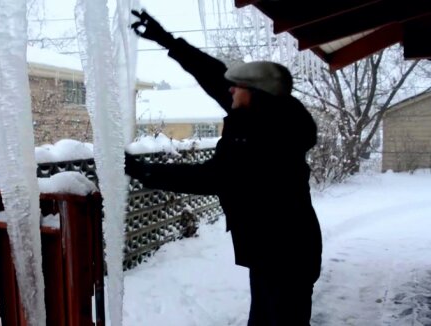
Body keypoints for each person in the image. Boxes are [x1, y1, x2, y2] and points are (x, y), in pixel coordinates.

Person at [125, 10, 323, 326]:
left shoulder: (269, 138)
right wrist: (168, 41)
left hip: (285, 252)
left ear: (256, 93)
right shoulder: (264, 113)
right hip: (274, 246)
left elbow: (213, 177)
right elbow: (216, 75)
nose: (230, 90)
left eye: (238, 87)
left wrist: (142, 170)